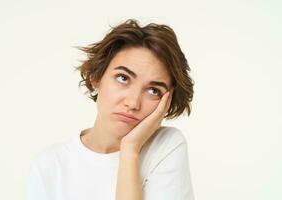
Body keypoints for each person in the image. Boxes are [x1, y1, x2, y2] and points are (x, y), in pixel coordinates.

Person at [26, 19, 195, 200]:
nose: (132, 103)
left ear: (166, 102)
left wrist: (130, 150)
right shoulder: (50, 165)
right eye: (123, 78)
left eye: (154, 90)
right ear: (96, 77)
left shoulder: (165, 146)